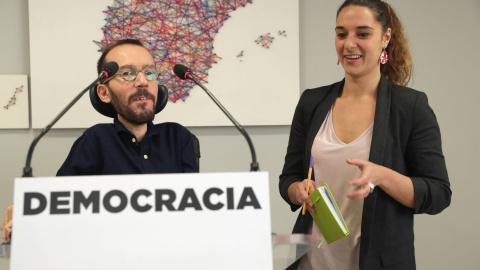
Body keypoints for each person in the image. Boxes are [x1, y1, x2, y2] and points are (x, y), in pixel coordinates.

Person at [279, 1, 451, 269]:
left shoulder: (410, 106)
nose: (349, 44)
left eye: (363, 33)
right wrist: (297, 191)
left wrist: (381, 176)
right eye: (341, 33)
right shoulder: (311, 102)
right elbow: (288, 178)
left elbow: (439, 193)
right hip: (312, 261)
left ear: (386, 37)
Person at [1, 39, 198, 241]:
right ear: (104, 93)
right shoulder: (95, 140)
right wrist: (27, 211)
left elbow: (195, 209)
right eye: (127, 73)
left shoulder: (178, 137)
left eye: (149, 72)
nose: (142, 81)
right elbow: (58, 205)